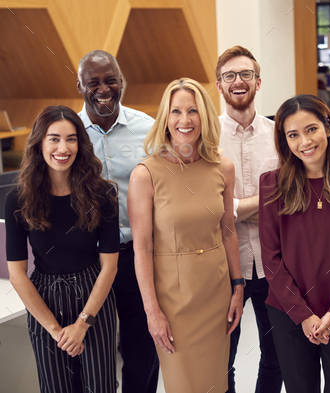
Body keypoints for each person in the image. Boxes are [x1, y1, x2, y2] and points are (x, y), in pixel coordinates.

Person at [128, 77, 244, 392]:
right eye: (176, 111)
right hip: (172, 300)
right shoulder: (145, 174)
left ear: (204, 116)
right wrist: (152, 311)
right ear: (165, 117)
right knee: (183, 385)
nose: (184, 120)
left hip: (216, 292)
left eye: (192, 111)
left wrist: (237, 287)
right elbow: (141, 249)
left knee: (216, 384)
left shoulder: (223, 168)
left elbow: (228, 231)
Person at [259, 94, 330, 392]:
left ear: (328, 127)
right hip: (290, 314)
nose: (304, 142)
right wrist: (304, 316)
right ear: (285, 141)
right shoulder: (271, 183)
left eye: (311, 129)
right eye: (293, 135)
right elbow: (271, 259)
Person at [5, 105, 119, 392]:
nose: (62, 147)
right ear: (39, 143)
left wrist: (82, 323)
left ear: (80, 144)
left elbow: (110, 265)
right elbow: (17, 274)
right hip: (45, 299)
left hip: (94, 295)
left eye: (71, 139)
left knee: (100, 386)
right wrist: (56, 330)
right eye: (54, 138)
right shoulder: (18, 198)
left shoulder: (103, 193)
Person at [76, 50, 159, 392]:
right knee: (94, 355)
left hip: (139, 256)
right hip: (89, 262)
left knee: (142, 351)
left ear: (122, 82)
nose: (103, 89)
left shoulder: (148, 129)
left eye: (110, 80)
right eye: (93, 82)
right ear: (79, 84)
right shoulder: (69, 133)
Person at [216, 45, 282, 393]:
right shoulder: (206, 139)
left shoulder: (279, 136)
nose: (237, 81)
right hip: (225, 268)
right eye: (229, 76)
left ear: (258, 81)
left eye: (245, 75)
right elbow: (213, 210)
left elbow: (292, 196)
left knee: (277, 357)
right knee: (222, 359)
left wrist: (236, 207)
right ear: (219, 85)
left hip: (274, 264)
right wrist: (264, 201)